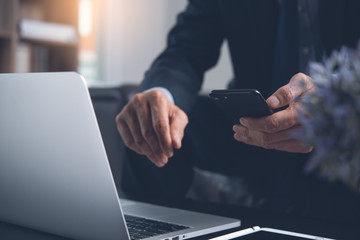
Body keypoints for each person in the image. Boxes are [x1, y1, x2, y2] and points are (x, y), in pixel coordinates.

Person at [116, 0, 360, 218]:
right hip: (252, 129)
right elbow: (186, 48)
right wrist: (160, 94)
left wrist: (333, 99)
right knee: (152, 125)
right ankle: (146, 228)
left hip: (346, 133)